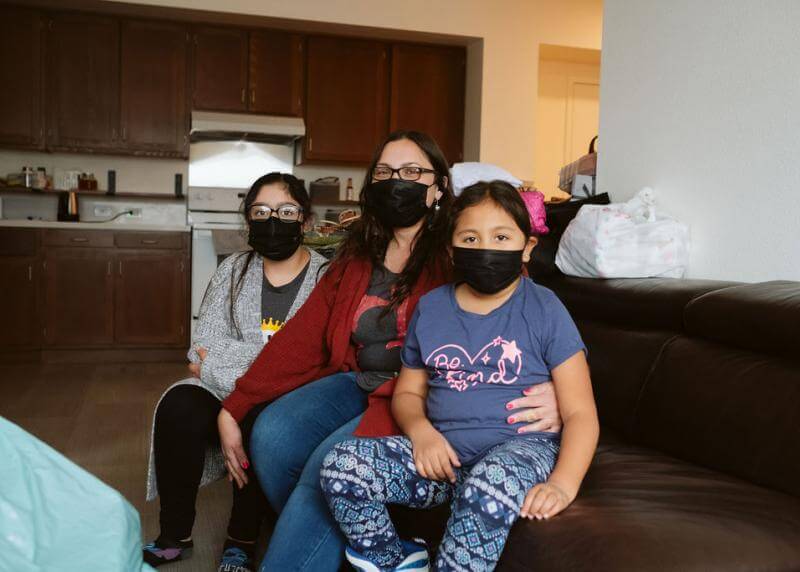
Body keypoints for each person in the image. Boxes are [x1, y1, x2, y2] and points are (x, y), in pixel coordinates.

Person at [217, 132, 563, 572]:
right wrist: (237, 404)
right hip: (357, 378)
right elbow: (303, 334)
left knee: (321, 472)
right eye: (385, 171)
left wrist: (549, 383)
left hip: (420, 392)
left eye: (412, 171)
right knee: (272, 434)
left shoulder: (462, 247)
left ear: (438, 186)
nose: (397, 181)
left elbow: (518, 312)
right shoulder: (359, 253)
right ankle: (363, 541)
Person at [321, 180, 600, 571]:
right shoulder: (431, 308)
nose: (486, 247)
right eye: (471, 237)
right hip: (443, 460)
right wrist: (422, 433)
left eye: (502, 236)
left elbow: (580, 412)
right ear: (451, 250)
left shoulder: (544, 308)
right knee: (340, 464)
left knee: (490, 478)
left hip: (519, 453)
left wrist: (562, 484)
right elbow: (408, 394)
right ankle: (396, 561)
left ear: (527, 246)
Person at [143, 173, 327, 572]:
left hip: (287, 403)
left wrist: (228, 361)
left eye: (286, 211)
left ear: (306, 221)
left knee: (261, 419)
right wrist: (265, 361)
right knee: (178, 404)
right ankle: (175, 534)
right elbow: (198, 352)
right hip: (225, 392)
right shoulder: (234, 270)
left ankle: (240, 542)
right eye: (260, 211)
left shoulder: (326, 279)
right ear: (248, 221)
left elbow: (315, 365)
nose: (272, 219)